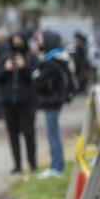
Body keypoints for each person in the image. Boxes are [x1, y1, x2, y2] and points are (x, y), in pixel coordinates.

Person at [0, 31, 38, 174]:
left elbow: (34, 78)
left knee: (28, 133)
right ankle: (17, 164)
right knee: (13, 135)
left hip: (26, 103)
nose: (16, 43)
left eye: (19, 40)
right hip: (9, 103)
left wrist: (23, 67)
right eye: (14, 40)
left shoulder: (31, 58)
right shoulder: (5, 58)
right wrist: (6, 69)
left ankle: (32, 163)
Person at [33, 30, 72, 178]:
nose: (39, 41)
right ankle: (56, 165)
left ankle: (57, 167)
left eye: (41, 38)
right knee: (52, 134)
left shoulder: (52, 60)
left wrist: (36, 72)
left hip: (52, 101)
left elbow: (39, 79)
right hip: (53, 101)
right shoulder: (56, 57)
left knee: (52, 134)